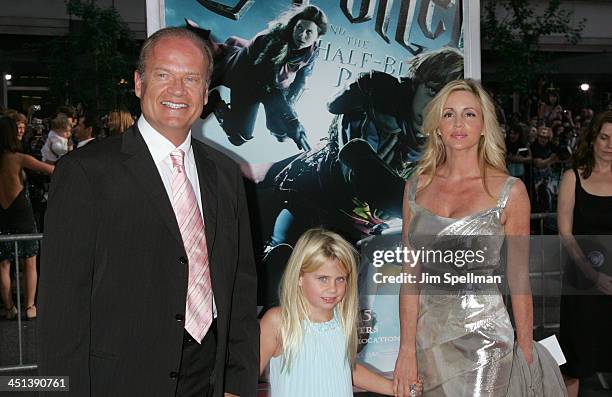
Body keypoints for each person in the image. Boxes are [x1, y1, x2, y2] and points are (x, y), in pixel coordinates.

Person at [37, 27, 258, 397]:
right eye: (163, 75)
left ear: (206, 94)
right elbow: (61, 310)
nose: (177, 90)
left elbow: (240, 285)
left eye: (191, 79)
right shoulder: (86, 173)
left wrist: (237, 382)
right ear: (139, 83)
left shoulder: (225, 174)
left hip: (206, 377)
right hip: (118, 380)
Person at [393, 79, 533, 396]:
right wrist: (406, 349)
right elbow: (410, 274)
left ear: (484, 125)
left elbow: (519, 278)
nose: (458, 124)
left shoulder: (510, 191)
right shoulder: (416, 187)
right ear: (437, 127)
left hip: (486, 339)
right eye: (449, 114)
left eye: (469, 114)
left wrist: (526, 348)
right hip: (428, 337)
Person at [259, 228, 420, 396]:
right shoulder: (278, 321)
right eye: (323, 279)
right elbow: (243, 377)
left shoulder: (342, 320)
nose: (332, 289)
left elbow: (347, 370)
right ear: (300, 276)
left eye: (340, 279)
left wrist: (398, 389)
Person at [188, 5, 328, 150]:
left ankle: (282, 124)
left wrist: (290, 111)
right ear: (294, 25)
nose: (301, 35)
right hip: (247, 79)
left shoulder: (312, 51)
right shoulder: (272, 40)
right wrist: (291, 118)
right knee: (239, 137)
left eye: (309, 32)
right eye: (299, 28)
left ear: (318, 36)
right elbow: (268, 82)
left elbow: (302, 80)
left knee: (283, 131)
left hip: (274, 87)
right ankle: (216, 103)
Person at [557, 111, 612, 397]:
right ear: (592, 138)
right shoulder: (572, 177)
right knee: (575, 360)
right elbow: (565, 234)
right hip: (581, 281)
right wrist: (592, 276)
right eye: (604, 137)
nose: (610, 144)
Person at [0, 116, 53, 320]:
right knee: (30, 259)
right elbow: (50, 170)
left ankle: (8, 307)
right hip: (21, 210)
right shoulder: (19, 158)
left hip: (2, 212)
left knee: (3, 263)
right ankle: (30, 306)